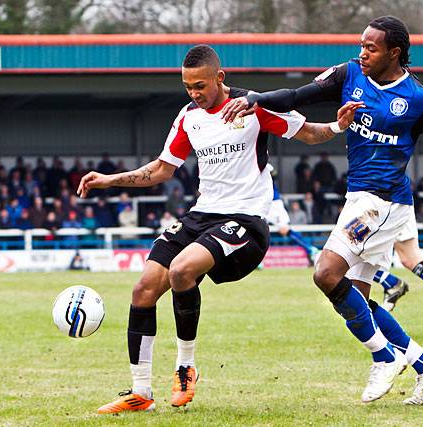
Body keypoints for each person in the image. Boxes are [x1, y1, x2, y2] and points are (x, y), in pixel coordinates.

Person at [222, 16, 423, 404]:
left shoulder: (420, 97)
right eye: (362, 45)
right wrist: (256, 99)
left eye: (371, 48)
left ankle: (384, 357)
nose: (362, 53)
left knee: (326, 273)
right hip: (363, 199)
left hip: (382, 202)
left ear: (394, 53)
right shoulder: (347, 74)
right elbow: (297, 96)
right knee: (358, 301)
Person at [77, 44, 360, 414]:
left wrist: (339, 125)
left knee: (181, 270)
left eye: (200, 85)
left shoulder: (253, 106)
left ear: (219, 78)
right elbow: (162, 170)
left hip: (245, 220)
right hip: (201, 215)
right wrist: (108, 180)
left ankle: (185, 366)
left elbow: (307, 132)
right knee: (143, 288)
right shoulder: (188, 117)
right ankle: (140, 392)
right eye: (187, 86)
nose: (194, 93)